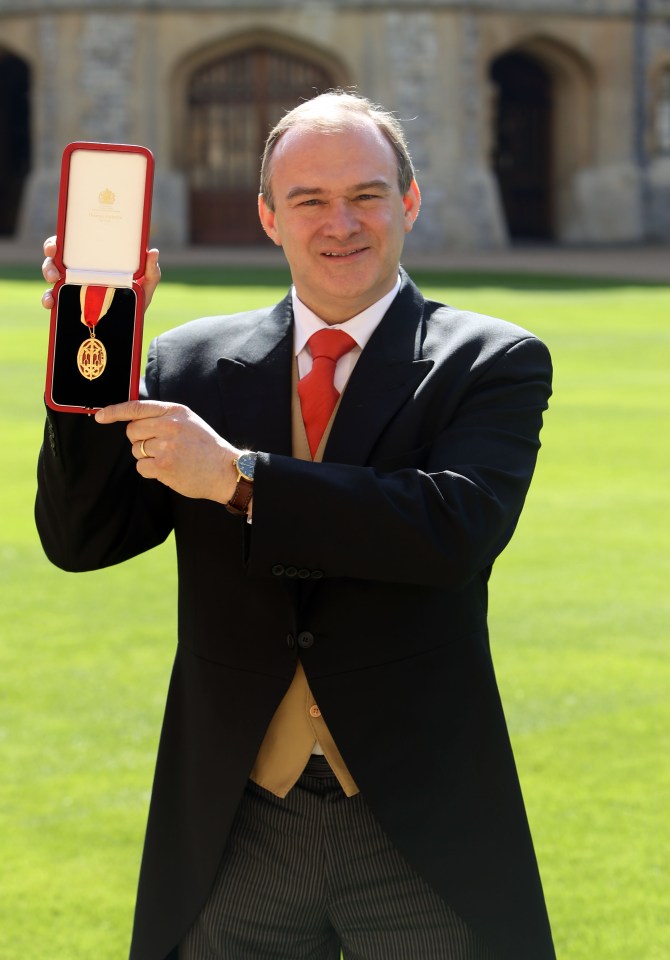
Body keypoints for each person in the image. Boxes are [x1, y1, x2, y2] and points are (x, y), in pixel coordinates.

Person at [37, 90, 555, 960]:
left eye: (366, 194)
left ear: (410, 202)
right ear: (271, 219)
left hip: (418, 825)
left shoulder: (491, 361)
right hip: (235, 826)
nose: (340, 222)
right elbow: (84, 541)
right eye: (310, 199)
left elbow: (451, 530)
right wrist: (86, 360)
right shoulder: (187, 364)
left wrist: (241, 483)